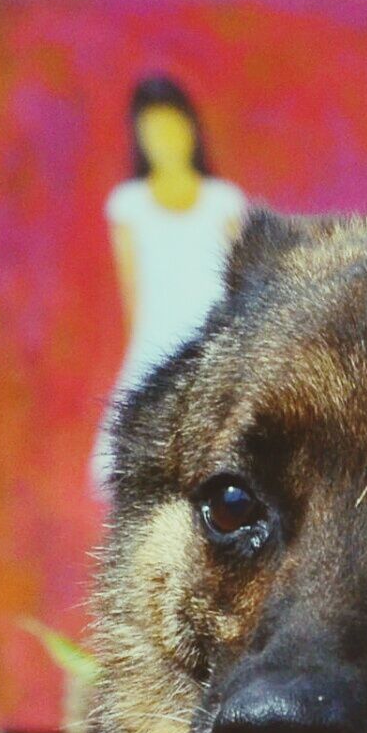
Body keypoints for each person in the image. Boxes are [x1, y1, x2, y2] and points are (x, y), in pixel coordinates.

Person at [91, 77, 247, 494]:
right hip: (157, 337)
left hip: (217, 335)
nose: (166, 140)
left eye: (173, 127)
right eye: (154, 130)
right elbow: (133, 296)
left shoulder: (223, 201)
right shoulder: (129, 205)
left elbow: (238, 284)